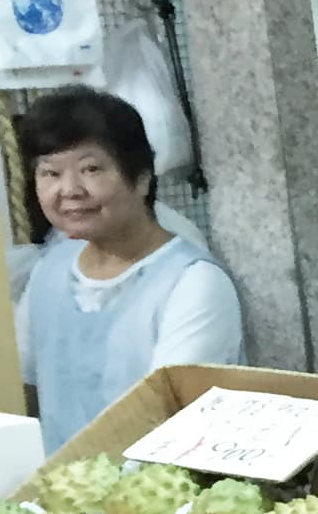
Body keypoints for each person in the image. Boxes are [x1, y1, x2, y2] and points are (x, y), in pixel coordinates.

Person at [13, 85, 243, 446]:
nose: (69, 190)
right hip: (55, 478)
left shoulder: (194, 282)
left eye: (90, 169)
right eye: (51, 173)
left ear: (142, 178)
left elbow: (171, 415)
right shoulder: (50, 270)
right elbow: (21, 386)